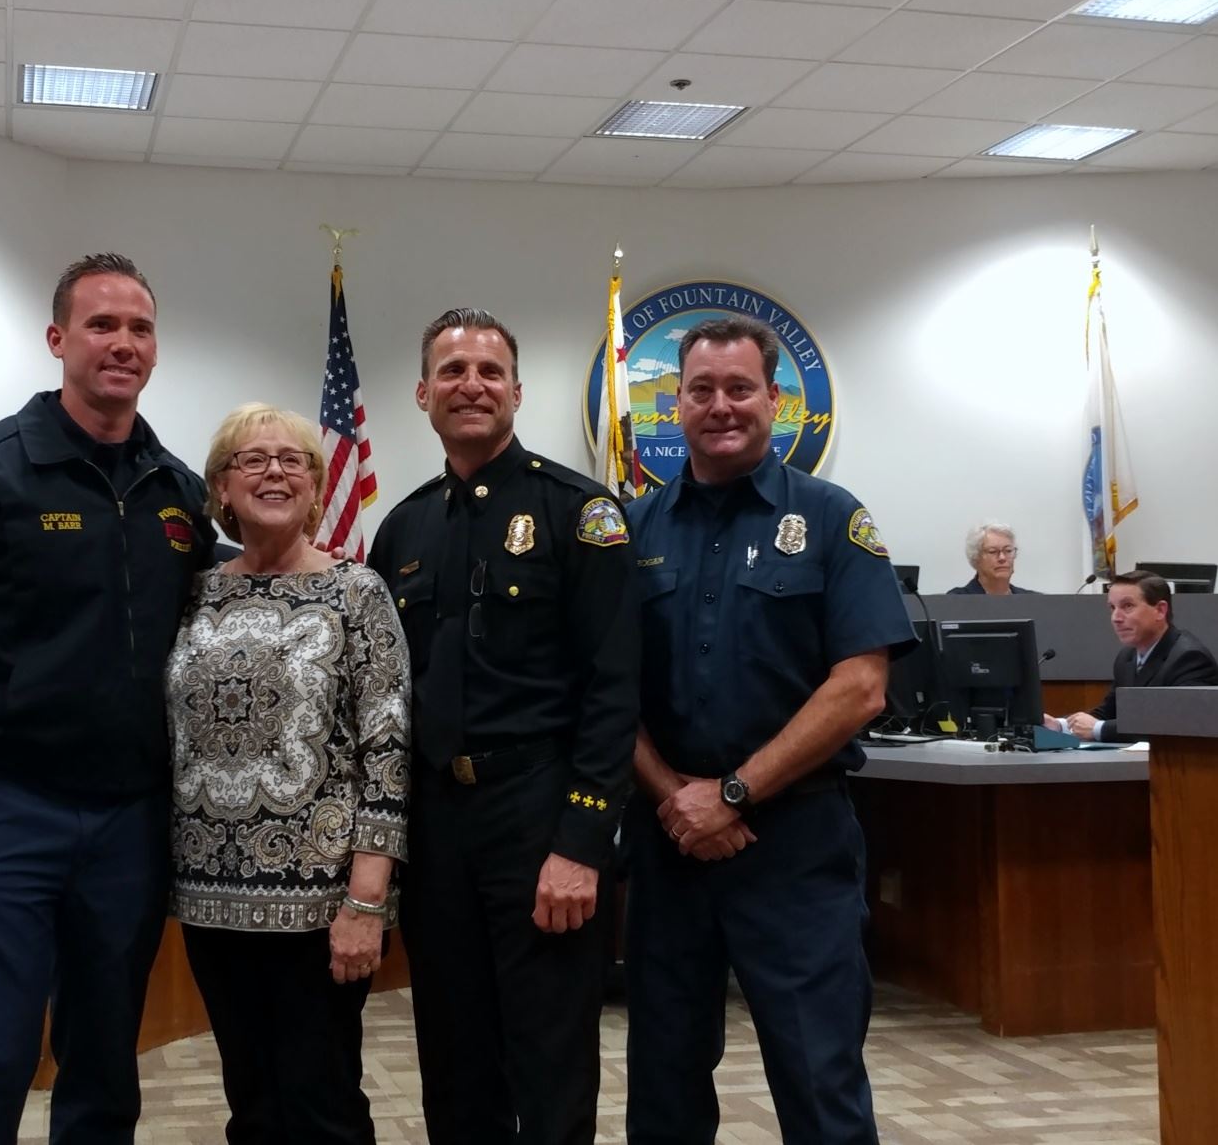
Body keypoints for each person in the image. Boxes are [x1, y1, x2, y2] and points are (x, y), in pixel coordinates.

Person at [0, 253, 218, 1145]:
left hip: (131, 820)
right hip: (3, 809)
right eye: (101, 325)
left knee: (104, 1057)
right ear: (58, 339)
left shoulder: (178, 492)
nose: (122, 343)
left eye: (139, 328)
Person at [624, 316, 914, 1145]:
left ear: (775, 400)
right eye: (700, 389)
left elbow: (860, 687)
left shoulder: (829, 518)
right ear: (674, 405)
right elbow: (604, 692)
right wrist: (677, 798)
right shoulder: (632, 528)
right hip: (669, 845)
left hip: (794, 845)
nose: (720, 405)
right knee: (663, 1087)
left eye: (739, 388)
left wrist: (732, 794)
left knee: (818, 1081)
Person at [368, 308, 640, 1145]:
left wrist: (581, 843)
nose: (471, 385)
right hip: (435, 823)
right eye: (451, 371)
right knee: (453, 1057)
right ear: (422, 393)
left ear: (516, 392)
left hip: (537, 814)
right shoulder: (403, 527)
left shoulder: (578, 512)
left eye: (489, 371)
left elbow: (613, 688)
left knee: (549, 1057)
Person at [167, 402, 410, 1145]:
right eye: (252, 459)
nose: (273, 472)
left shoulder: (356, 592)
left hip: (321, 905)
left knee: (322, 1103)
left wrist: (365, 902)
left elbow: (388, 750)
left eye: (292, 460)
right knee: (251, 1104)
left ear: (315, 485)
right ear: (220, 487)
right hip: (209, 899)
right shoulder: (194, 592)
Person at [1047, 570, 1218, 742]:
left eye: (1127, 606)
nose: (1116, 618)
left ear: (1160, 610)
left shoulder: (1189, 658)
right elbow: (1109, 711)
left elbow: (1177, 724)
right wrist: (1060, 725)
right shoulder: (1127, 657)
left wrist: (1099, 729)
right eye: (1112, 608)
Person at [947, 523, 1036, 594]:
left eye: (1008, 551)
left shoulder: (1033, 601)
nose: (1002, 558)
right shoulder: (957, 600)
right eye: (993, 551)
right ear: (976, 557)